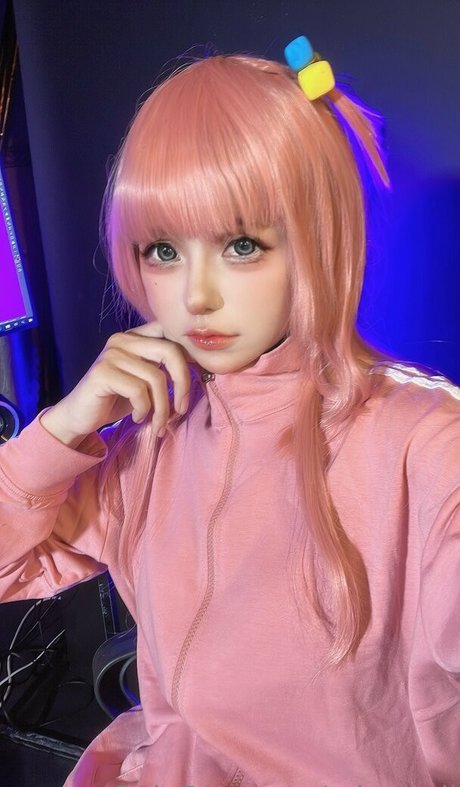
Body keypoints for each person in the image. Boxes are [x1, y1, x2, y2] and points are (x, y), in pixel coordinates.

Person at [0, 34, 459, 786]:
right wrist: (64, 426)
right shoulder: (149, 446)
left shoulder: (426, 446)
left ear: (316, 238)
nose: (196, 296)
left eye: (241, 244)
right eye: (163, 250)